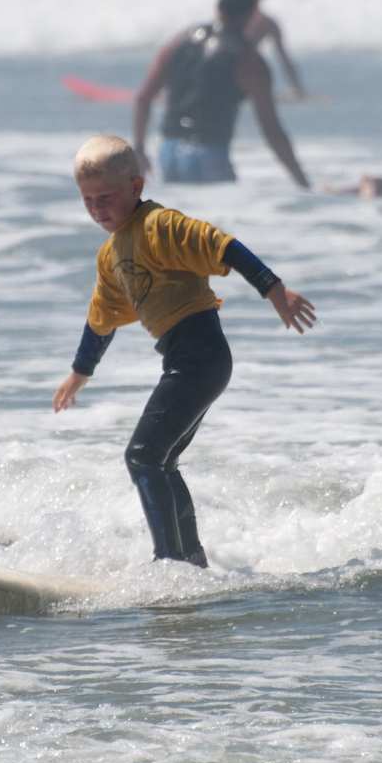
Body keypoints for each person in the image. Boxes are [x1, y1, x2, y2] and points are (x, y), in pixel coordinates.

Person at [52, 135, 316, 568]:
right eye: (88, 200)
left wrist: (274, 290)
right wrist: (80, 373)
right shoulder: (110, 254)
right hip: (188, 361)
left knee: (142, 456)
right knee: (163, 459)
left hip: (201, 355)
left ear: (136, 186)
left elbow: (221, 244)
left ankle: (167, 563)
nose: (98, 209)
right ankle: (190, 562)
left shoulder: (160, 226)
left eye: (107, 197)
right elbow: (102, 316)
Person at [133, 0, 310, 187]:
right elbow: (272, 131)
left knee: (180, 214)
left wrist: (140, 150)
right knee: (221, 215)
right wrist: (303, 183)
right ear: (254, 11)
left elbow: (143, 98)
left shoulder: (180, 41)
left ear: (218, 6)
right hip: (209, 152)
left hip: (169, 151)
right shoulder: (249, 60)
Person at [244, 1, 316, 102]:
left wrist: (298, 88)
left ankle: (297, 88)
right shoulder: (232, 19)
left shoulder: (267, 23)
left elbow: (284, 58)